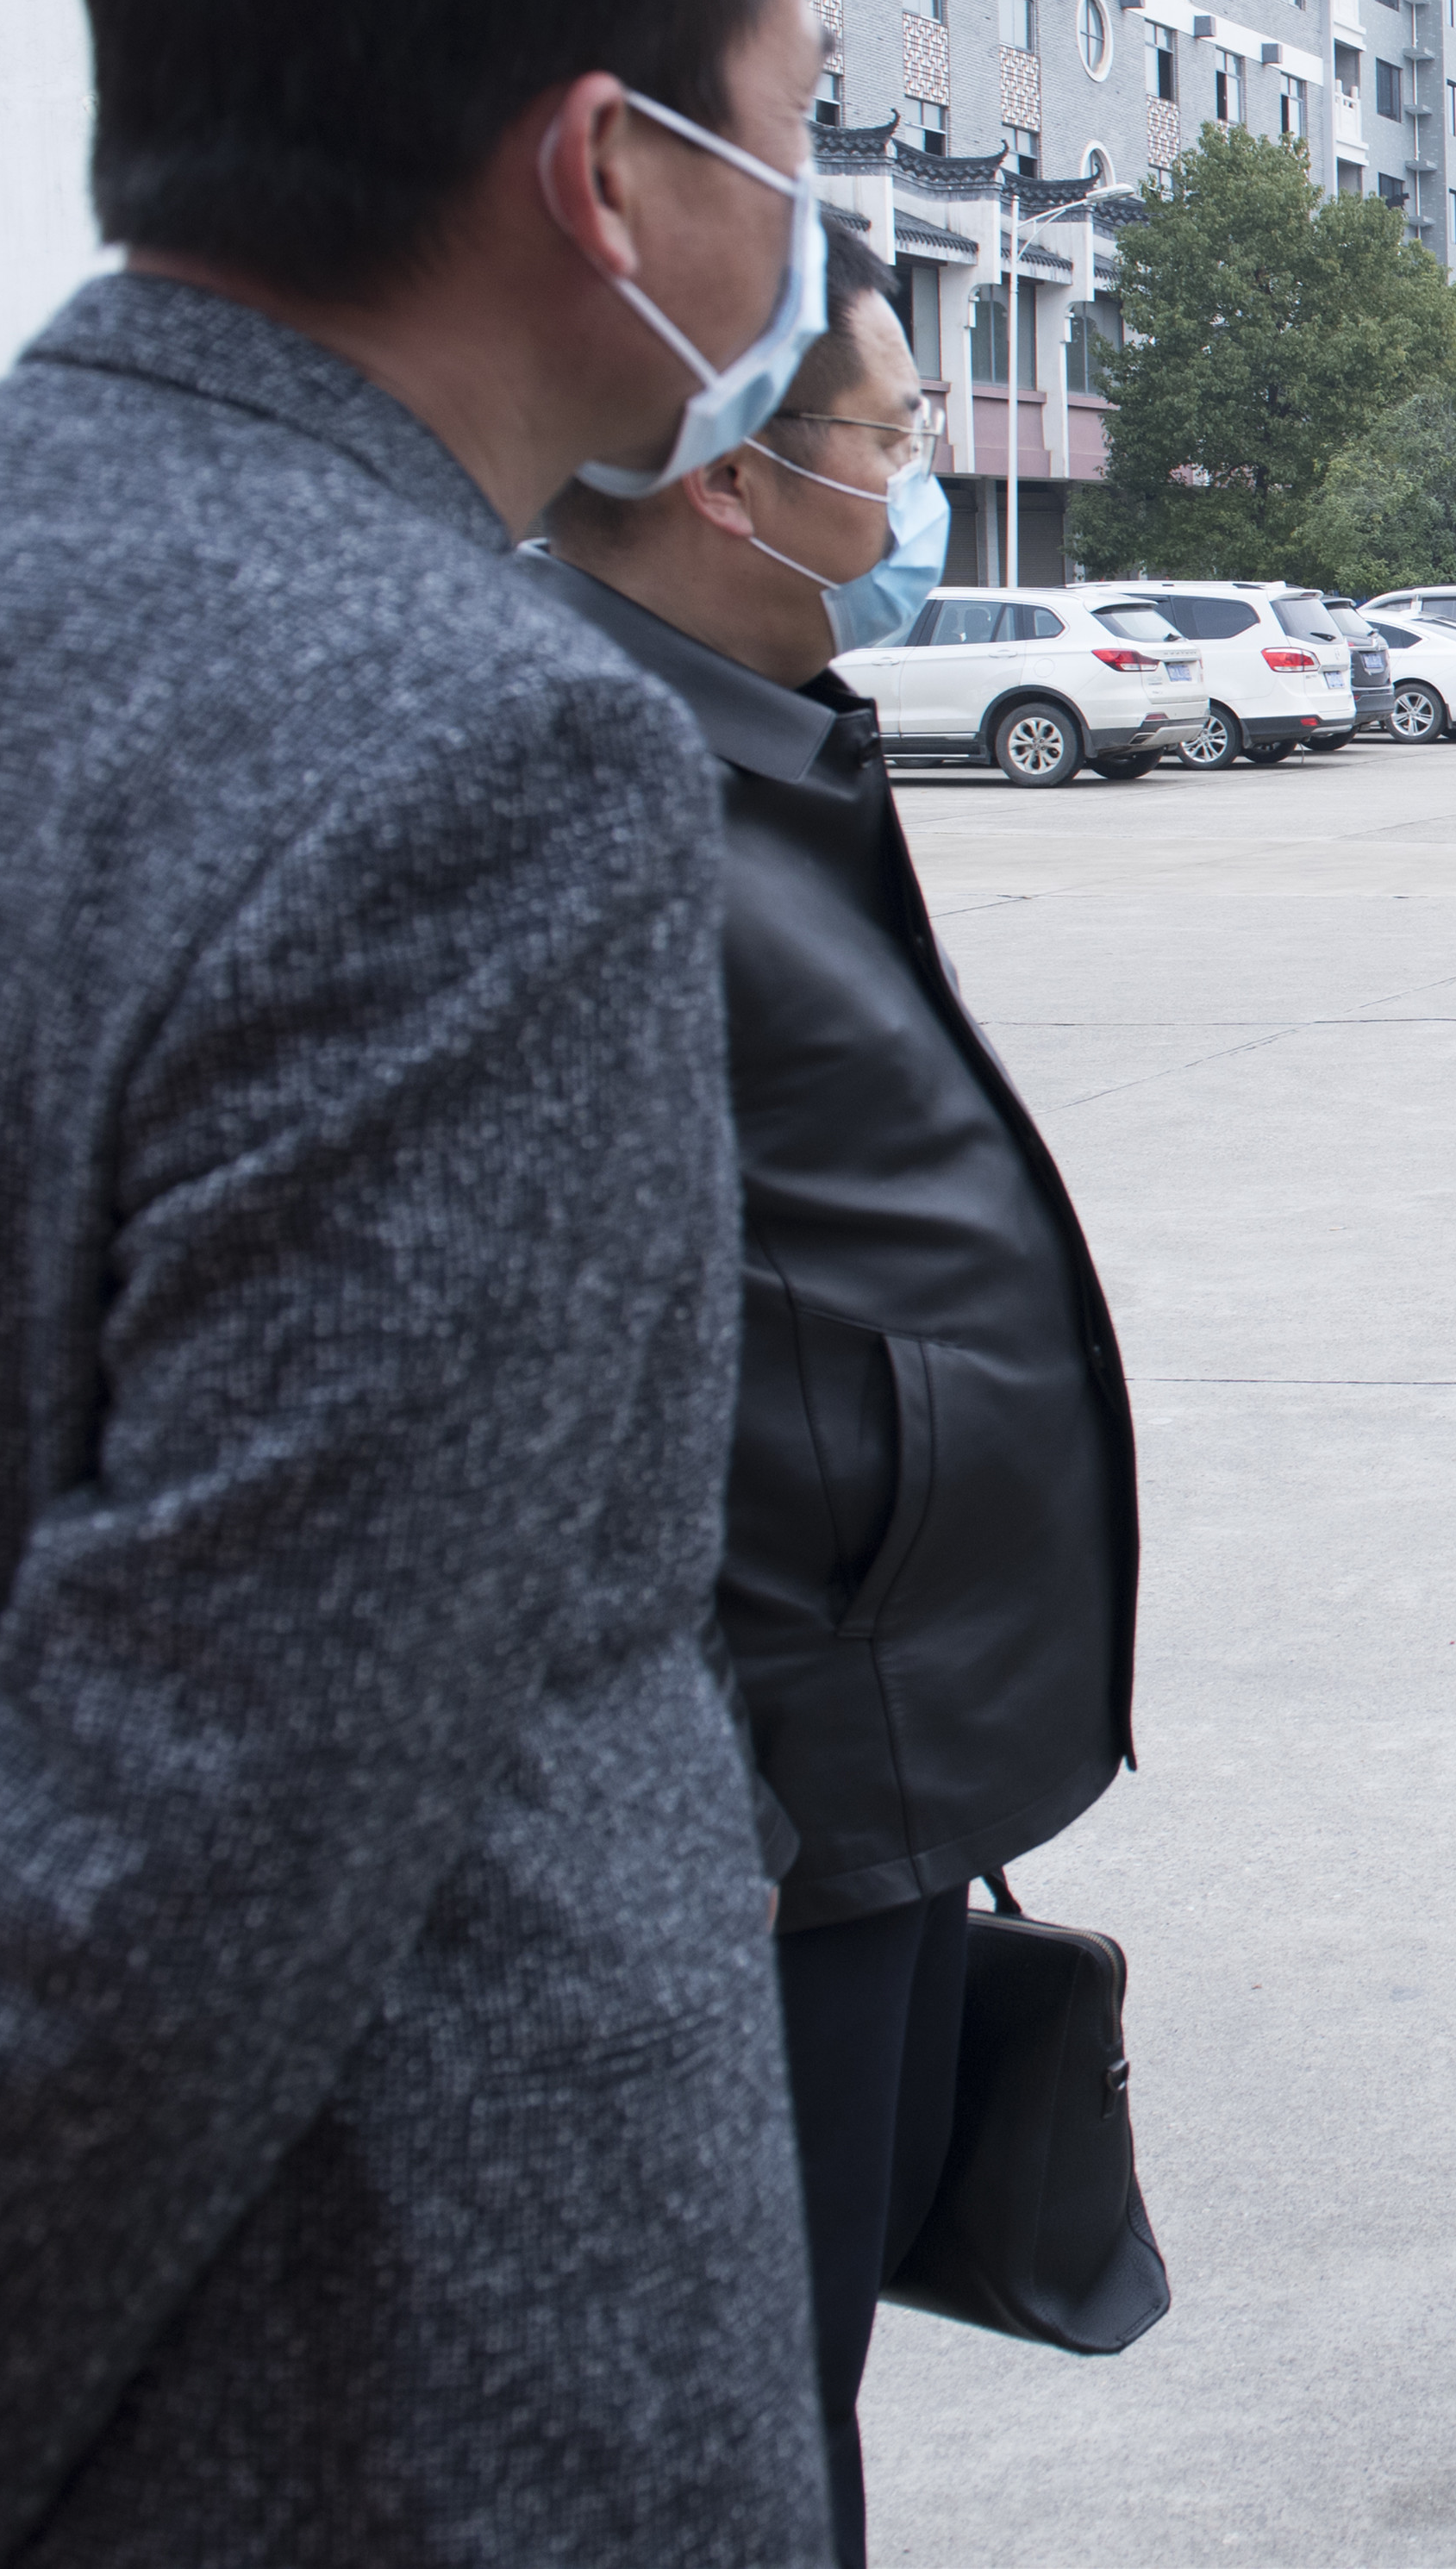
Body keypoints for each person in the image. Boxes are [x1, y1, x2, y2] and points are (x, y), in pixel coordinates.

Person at [0, 0, 843, 2559]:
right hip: (331, 2371)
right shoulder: (490, 754)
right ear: (608, 169)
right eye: (792, 115)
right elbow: (207, 1837)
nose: (800, 212)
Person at [527, 225, 1143, 2566]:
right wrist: (715, 1798)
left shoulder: (754, 726)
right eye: (891, 438)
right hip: (758, 1790)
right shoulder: (577, 779)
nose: (913, 490)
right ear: (726, 475)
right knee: (732, 2414)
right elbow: (545, 1396)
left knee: (804, 2383)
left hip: (855, 1745)